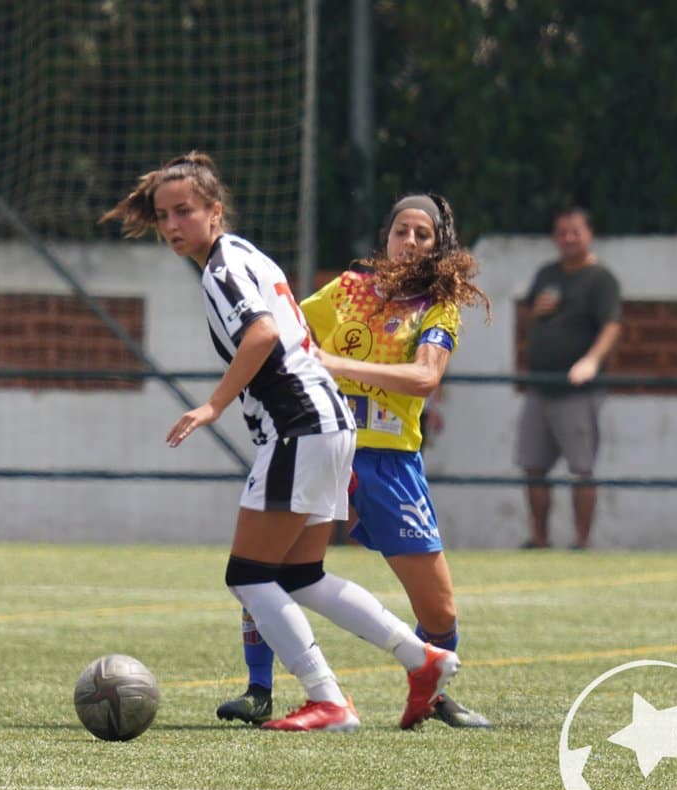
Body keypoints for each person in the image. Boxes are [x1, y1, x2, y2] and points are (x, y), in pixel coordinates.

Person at [100, 153, 460, 732]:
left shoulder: (223, 269)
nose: (172, 225)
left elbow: (264, 334)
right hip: (329, 423)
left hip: (300, 426)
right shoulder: (243, 254)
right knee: (300, 575)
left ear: (214, 211)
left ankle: (328, 699)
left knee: (247, 575)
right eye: (162, 214)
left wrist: (214, 404)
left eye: (184, 211)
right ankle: (422, 659)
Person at [213, 193, 494, 729]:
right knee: (263, 565)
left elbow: (425, 378)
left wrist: (331, 363)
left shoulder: (438, 307)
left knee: (440, 611)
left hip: (389, 465)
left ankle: (429, 693)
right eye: (401, 231)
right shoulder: (348, 291)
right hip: (319, 444)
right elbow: (286, 326)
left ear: (439, 247)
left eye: (422, 235)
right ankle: (258, 688)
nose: (409, 242)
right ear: (385, 238)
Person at [516, 207, 621, 550]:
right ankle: (539, 540)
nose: (568, 238)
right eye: (562, 232)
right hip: (539, 385)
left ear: (589, 234)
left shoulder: (600, 278)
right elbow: (530, 316)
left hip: (577, 391)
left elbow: (612, 325)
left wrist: (590, 362)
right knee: (532, 467)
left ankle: (581, 542)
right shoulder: (547, 273)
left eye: (575, 231)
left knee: (581, 469)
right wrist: (537, 312)